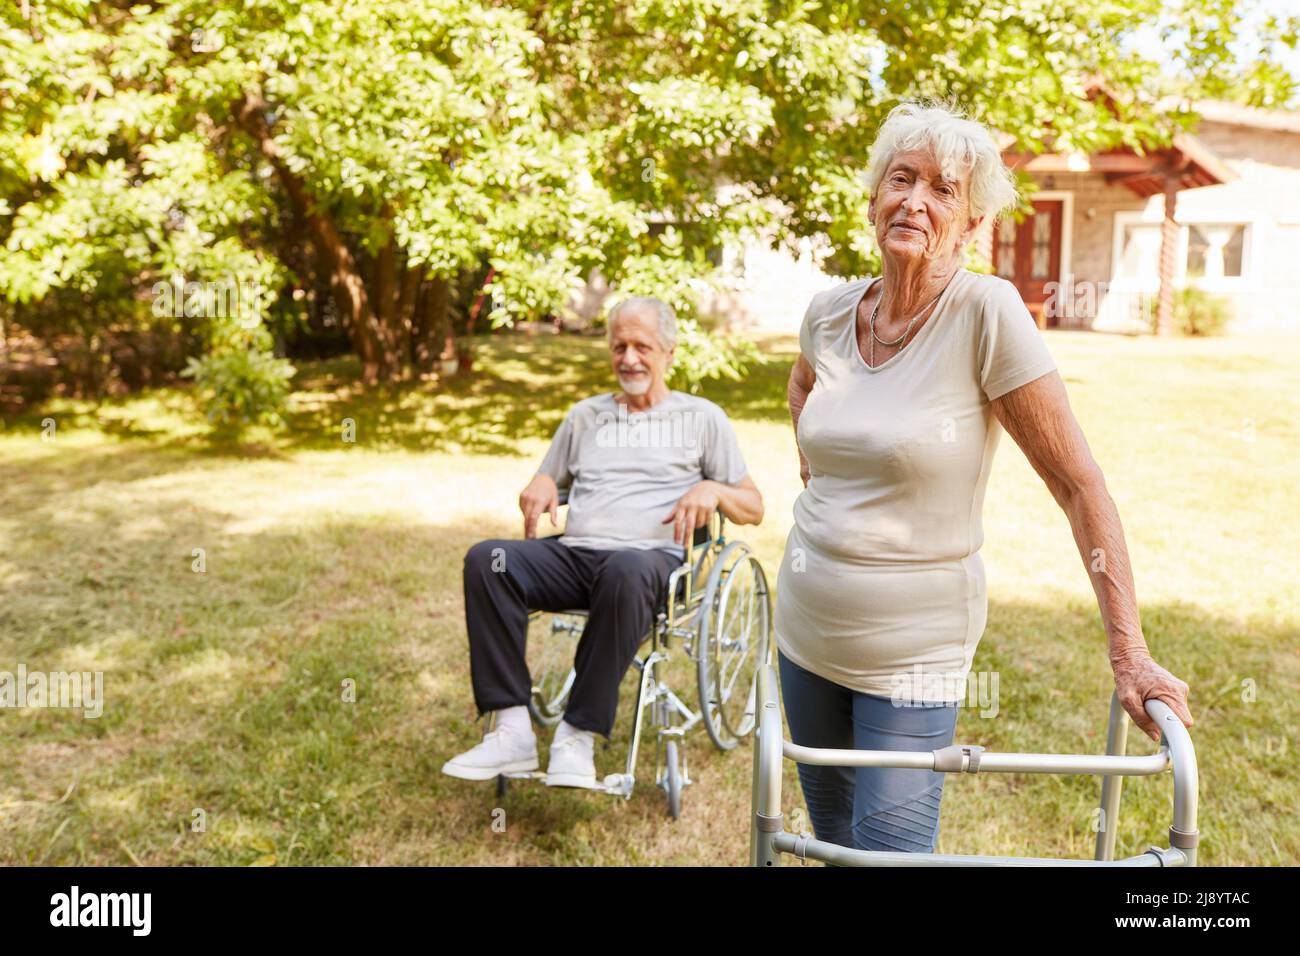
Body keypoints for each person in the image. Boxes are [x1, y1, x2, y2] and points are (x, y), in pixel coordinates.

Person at [777, 99, 1194, 854]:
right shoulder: (829, 312)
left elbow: (1078, 485)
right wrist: (815, 466)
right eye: (900, 179)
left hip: (913, 649)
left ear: (972, 225)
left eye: (943, 189)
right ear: (873, 200)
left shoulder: (986, 314)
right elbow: (803, 388)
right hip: (804, 632)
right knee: (833, 843)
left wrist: (1128, 652)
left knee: (890, 852)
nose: (914, 200)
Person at [443, 296, 764, 788]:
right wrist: (544, 483)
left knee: (625, 569)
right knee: (490, 559)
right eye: (619, 346)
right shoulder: (585, 416)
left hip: (648, 563)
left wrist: (714, 489)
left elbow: (754, 506)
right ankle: (511, 731)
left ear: (670, 352)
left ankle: (577, 734)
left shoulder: (702, 418)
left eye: (642, 346)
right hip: (575, 554)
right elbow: (548, 478)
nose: (629, 359)